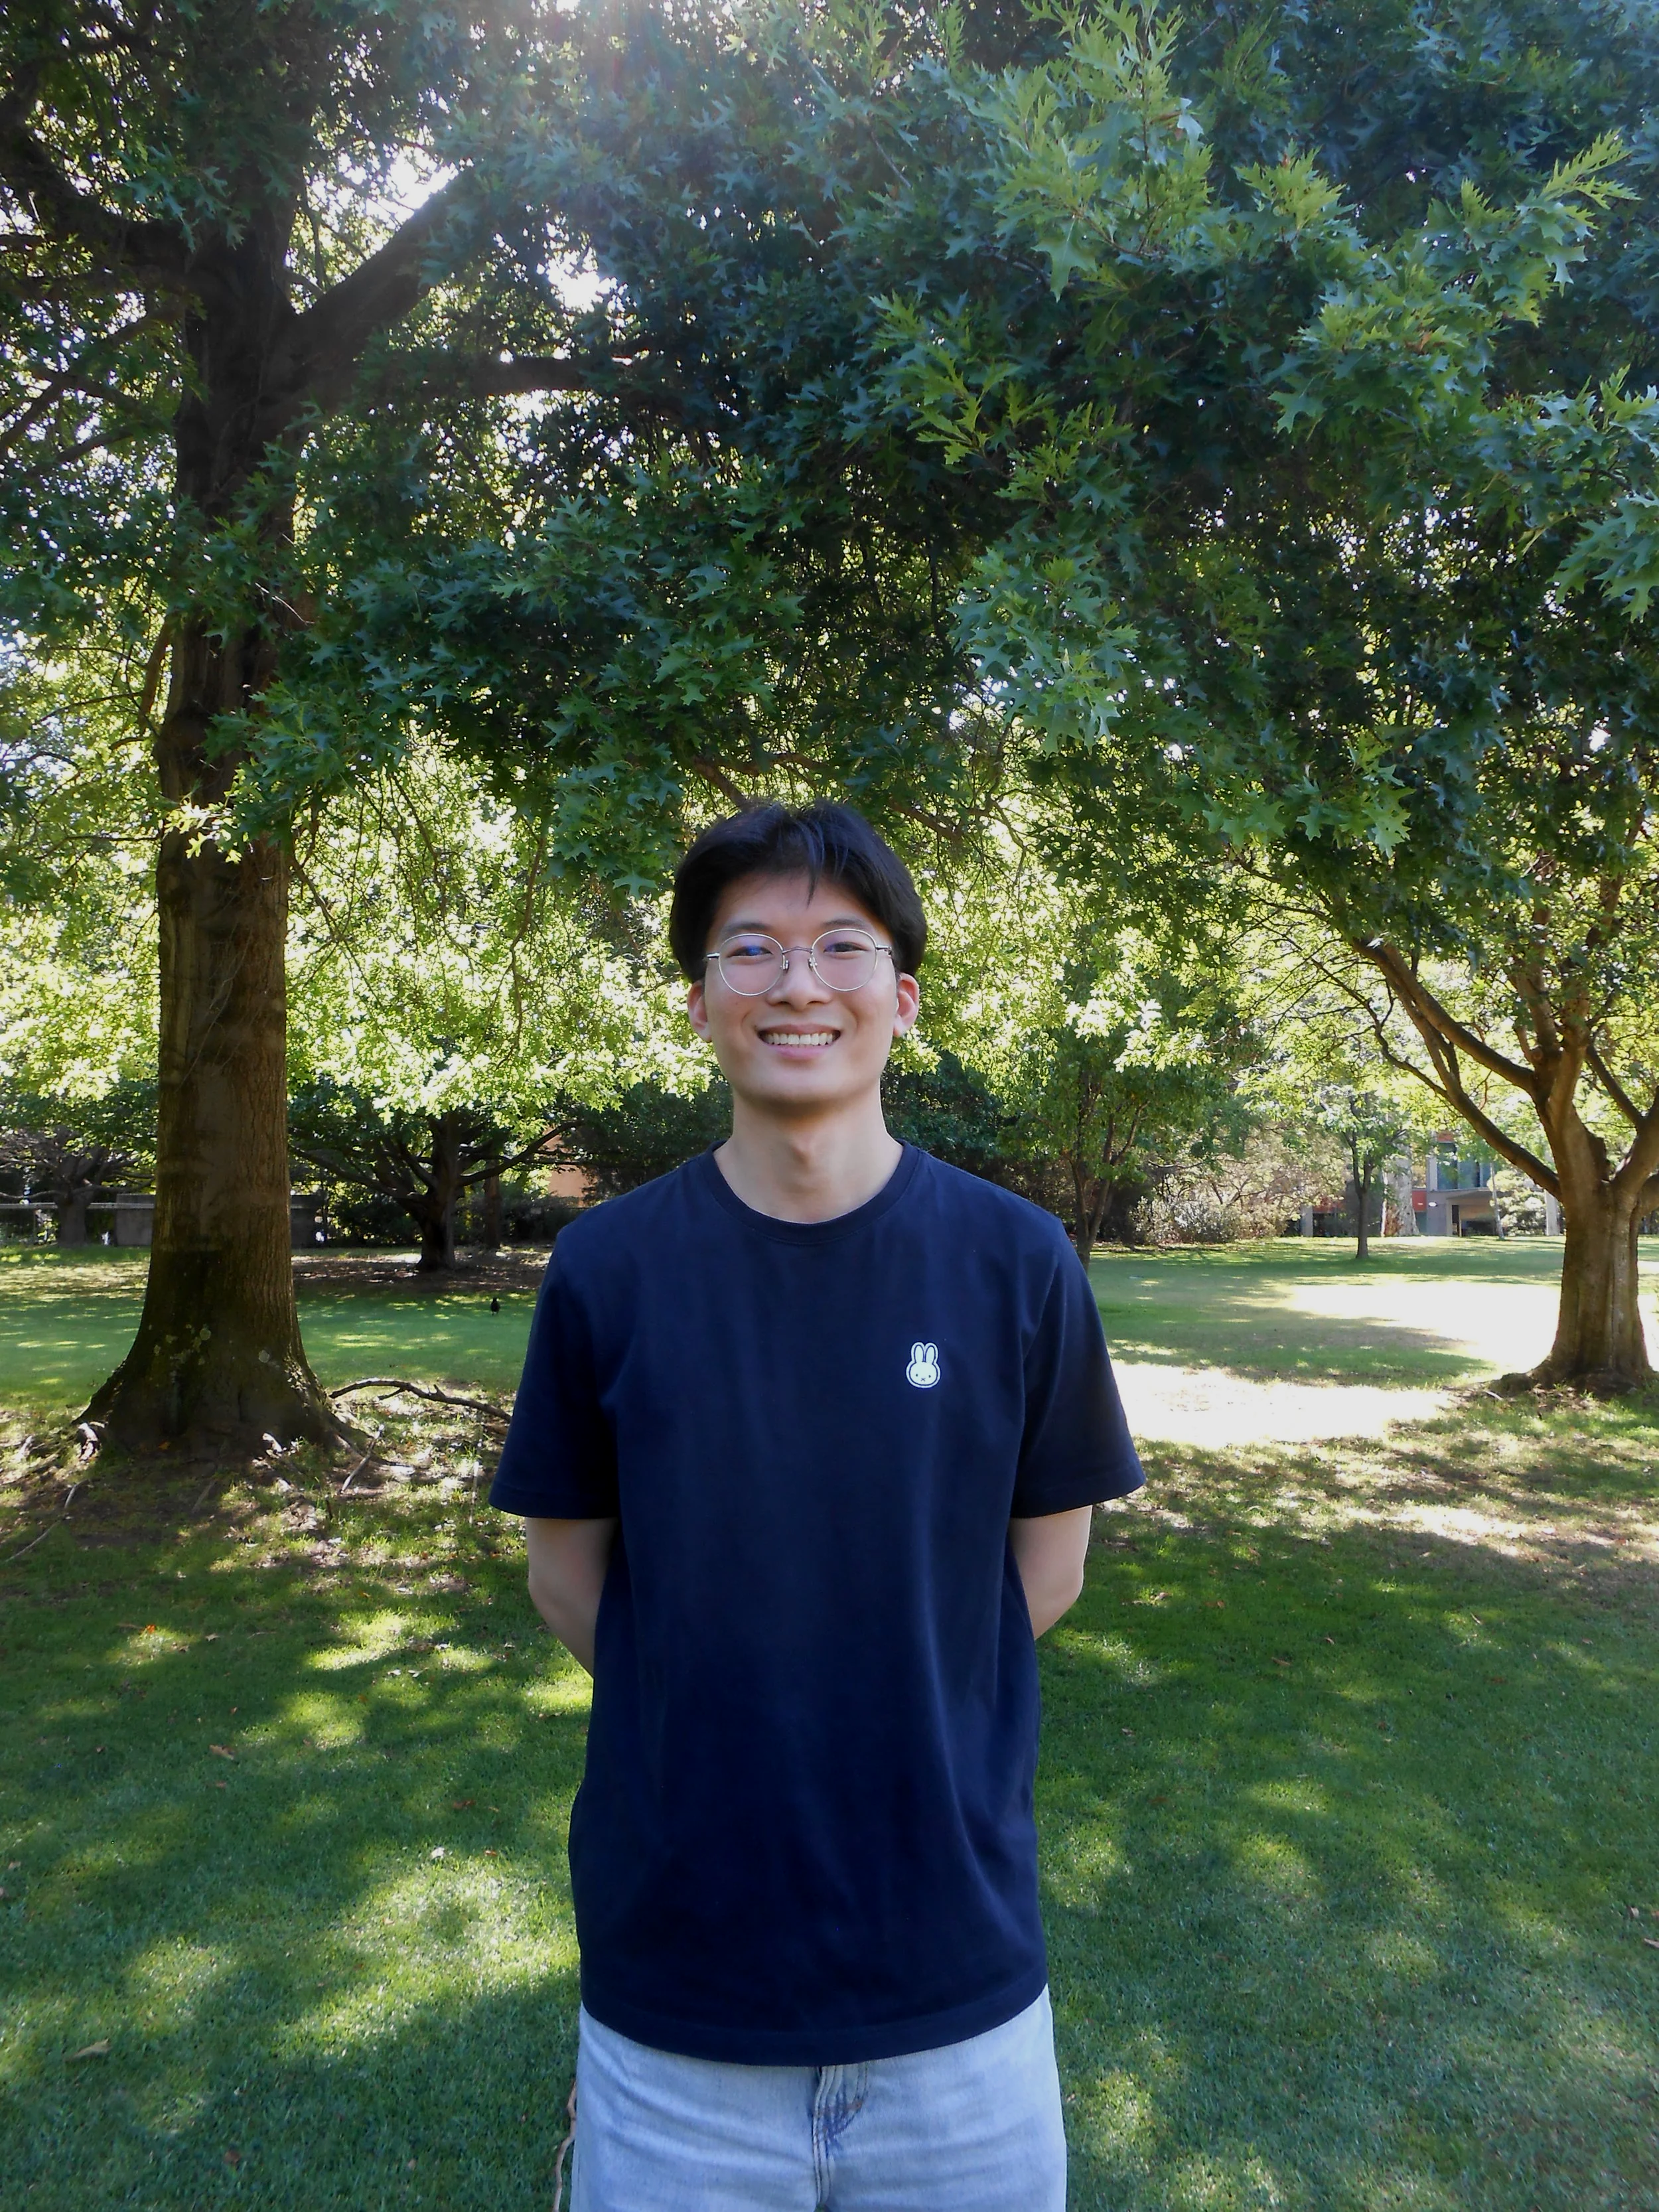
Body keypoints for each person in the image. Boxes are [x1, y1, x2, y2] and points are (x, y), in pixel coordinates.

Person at [490, 800, 1143, 2211]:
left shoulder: (1017, 1263)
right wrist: (718, 1700)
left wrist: (884, 1697)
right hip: (677, 2006)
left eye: (838, 946)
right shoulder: (605, 1270)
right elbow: (564, 1580)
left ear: (897, 999)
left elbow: (1047, 1571)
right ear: (698, 1000)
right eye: (751, 950)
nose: (797, 983)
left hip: (957, 2001)